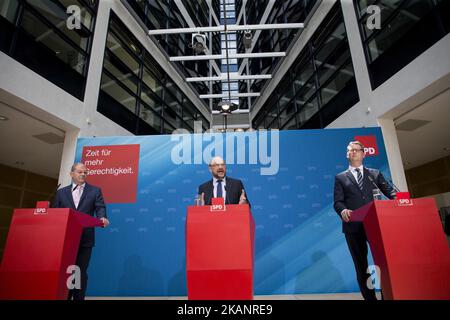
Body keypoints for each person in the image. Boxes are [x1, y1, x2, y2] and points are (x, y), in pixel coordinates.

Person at [333, 141, 395, 300]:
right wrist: (343, 210)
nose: (352, 152)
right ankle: (370, 298)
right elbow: (338, 202)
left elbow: (390, 192)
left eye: (355, 150)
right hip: (353, 228)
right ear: (347, 155)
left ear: (363, 153)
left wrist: (401, 201)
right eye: (349, 150)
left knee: (382, 264)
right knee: (361, 266)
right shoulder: (340, 177)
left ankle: (386, 296)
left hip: (376, 225)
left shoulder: (374, 174)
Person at [53, 162, 109, 300]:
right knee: (67, 271)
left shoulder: (95, 191)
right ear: (72, 174)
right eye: (79, 172)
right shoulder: (61, 193)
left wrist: (102, 218)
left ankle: (78, 298)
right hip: (66, 240)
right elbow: (55, 213)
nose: (83, 174)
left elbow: (100, 207)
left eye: (85, 172)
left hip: (85, 239)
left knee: (79, 271)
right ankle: (65, 296)